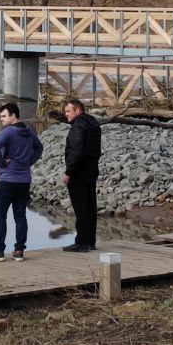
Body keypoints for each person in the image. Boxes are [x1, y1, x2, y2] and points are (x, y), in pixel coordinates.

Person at [0, 102, 44, 261]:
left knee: (0, 216)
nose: (1, 119)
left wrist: (1, 163)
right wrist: (29, 161)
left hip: (7, 181)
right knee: (20, 216)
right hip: (24, 181)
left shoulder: (8, 132)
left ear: (13, 116)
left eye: (4, 116)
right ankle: (19, 251)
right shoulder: (29, 131)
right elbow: (39, 148)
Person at [61, 97, 102, 252]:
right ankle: (90, 241)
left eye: (68, 111)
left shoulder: (78, 126)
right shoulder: (93, 122)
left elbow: (77, 151)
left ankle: (81, 243)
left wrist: (68, 171)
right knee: (91, 207)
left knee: (80, 209)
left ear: (78, 110)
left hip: (78, 172)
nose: (66, 115)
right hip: (92, 170)